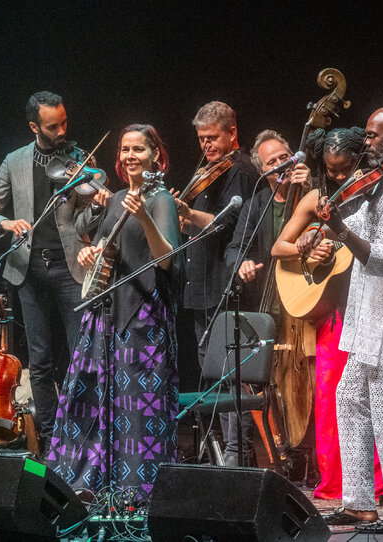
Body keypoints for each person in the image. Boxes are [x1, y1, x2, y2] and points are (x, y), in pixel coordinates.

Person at [302, 107, 383, 525]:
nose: (365, 140)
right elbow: (360, 221)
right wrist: (322, 232)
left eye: (373, 135)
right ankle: (357, 501)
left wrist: (338, 229)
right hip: (370, 312)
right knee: (349, 397)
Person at [47, 124, 179, 498]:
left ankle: (137, 489)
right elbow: (110, 249)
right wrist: (91, 253)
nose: (130, 156)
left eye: (139, 149)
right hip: (105, 310)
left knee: (138, 408)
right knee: (87, 399)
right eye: (125, 149)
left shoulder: (160, 198)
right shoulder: (118, 196)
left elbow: (166, 260)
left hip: (142, 315)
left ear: (155, 155)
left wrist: (144, 218)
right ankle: (89, 481)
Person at [0, 91, 108, 453]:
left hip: (70, 269)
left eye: (64, 122)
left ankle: (88, 434)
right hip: (28, 271)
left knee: (83, 356)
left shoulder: (80, 161)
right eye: (53, 126)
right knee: (40, 361)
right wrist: (6, 224)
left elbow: (81, 221)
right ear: (34, 126)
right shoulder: (14, 161)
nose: (62, 130)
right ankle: (50, 440)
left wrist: (95, 209)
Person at [270, 127, 383, 501]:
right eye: (331, 170)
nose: (338, 177)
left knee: (372, 398)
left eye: (344, 168)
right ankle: (337, 483)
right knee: (332, 397)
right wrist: (306, 248)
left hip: (371, 305)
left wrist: (329, 236)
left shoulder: (378, 194)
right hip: (335, 310)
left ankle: (378, 485)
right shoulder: (318, 197)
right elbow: (278, 247)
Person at [219, 130, 306, 467]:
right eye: (272, 162)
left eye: (284, 156)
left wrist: (312, 188)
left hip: (305, 306)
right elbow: (233, 249)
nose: (281, 165)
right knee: (260, 385)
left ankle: (309, 452)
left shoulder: (309, 194)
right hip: (266, 308)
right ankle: (275, 454)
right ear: (263, 172)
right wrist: (240, 264)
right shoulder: (257, 204)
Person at [174, 101, 259, 396]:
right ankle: (222, 439)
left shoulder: (242, 170)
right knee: (210, 368)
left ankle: (238, 442)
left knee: (230, 370)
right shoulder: (208, 171)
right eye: (201, 139)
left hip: (221, 281)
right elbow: (196, 227)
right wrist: (177, 218)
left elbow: (227, 224)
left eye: (212, 138)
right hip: (199, 284)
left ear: (232, 132)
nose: (206, 145)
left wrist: (189, 212)